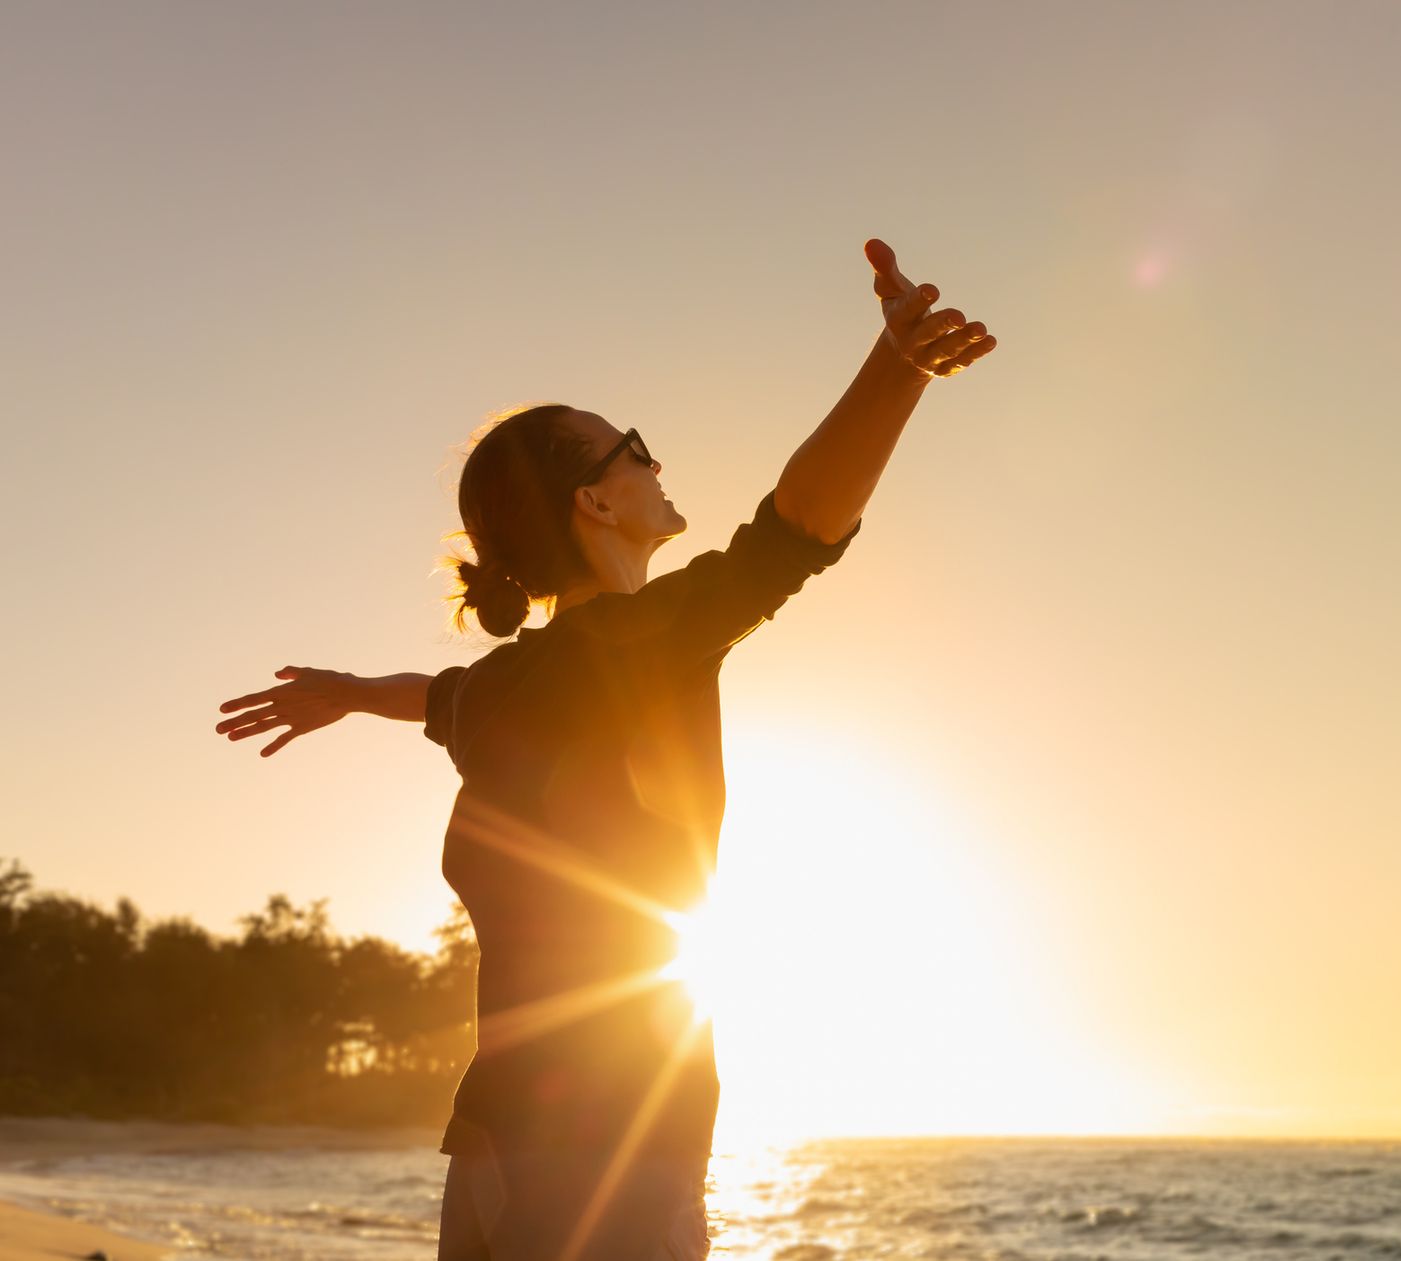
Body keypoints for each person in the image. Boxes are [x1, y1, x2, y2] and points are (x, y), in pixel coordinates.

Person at [214, 238, 996, 1261]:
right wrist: (896, 367)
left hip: (489, 1151)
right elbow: (795, 529)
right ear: (594, 500)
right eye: (633, 445)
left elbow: (436, 697)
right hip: (610, 1150)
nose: (656, 460)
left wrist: (350, 695)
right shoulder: (646, 636)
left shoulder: (503, 689)